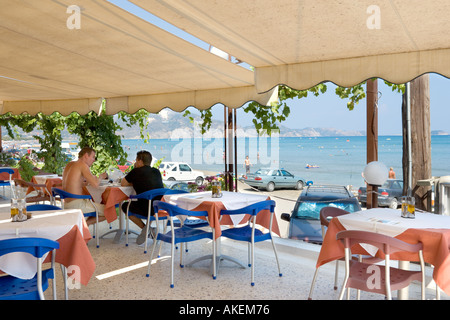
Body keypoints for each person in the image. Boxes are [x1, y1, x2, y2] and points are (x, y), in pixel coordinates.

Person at [121, 150, 164, 244]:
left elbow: (123, 184)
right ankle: (149, 229)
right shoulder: (156, 171)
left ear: (140, 161)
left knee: (125, 206)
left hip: (145, 208)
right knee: (149, 202)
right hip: (159, 208)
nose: (135, 162)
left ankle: (146, 229)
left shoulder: (135, 171)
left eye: (136, 160)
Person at [62, 147, 108, 226]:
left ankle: (82, 225)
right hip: (77, 204)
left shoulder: (70, 164)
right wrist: (101, 177)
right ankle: (85, 225)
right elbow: (95, 185)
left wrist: (85, 183)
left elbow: (73, 183)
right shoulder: (83, 165)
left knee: (95, 206)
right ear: (86, 155)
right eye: (93, 157)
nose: (94, 160)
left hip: (66, 204)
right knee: (110, 211)